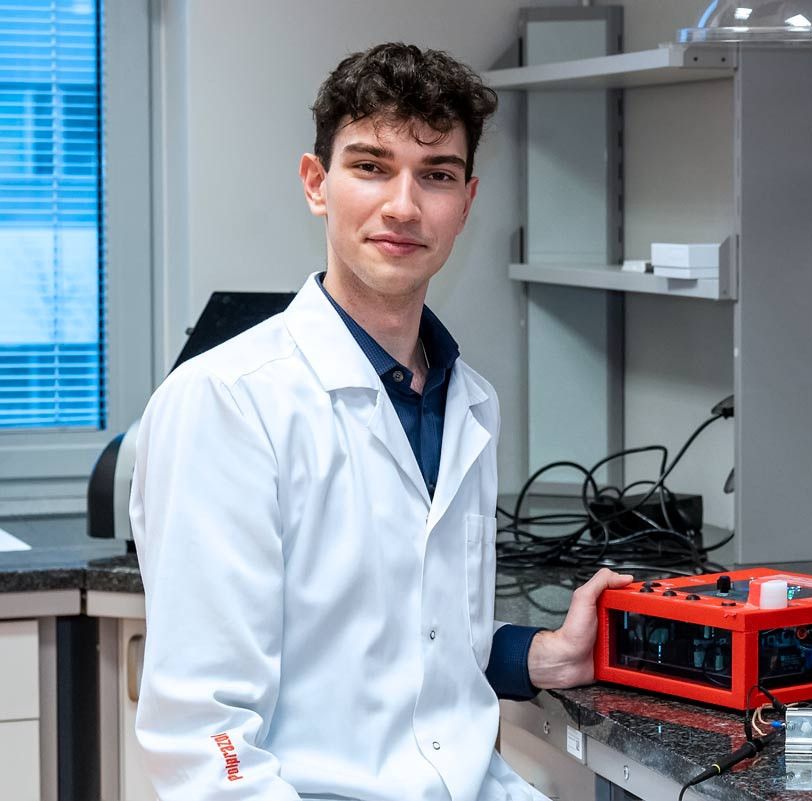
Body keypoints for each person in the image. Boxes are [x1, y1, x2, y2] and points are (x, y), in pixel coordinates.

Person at [129, 42, 632, 801]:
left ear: (466, 202)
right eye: (370, 166)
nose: (403, 205)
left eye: (436, 175)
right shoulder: (227, 402)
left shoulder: (469, 401)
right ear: (317, 183)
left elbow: (422, 637)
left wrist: (547, 656)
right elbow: (204, 733)